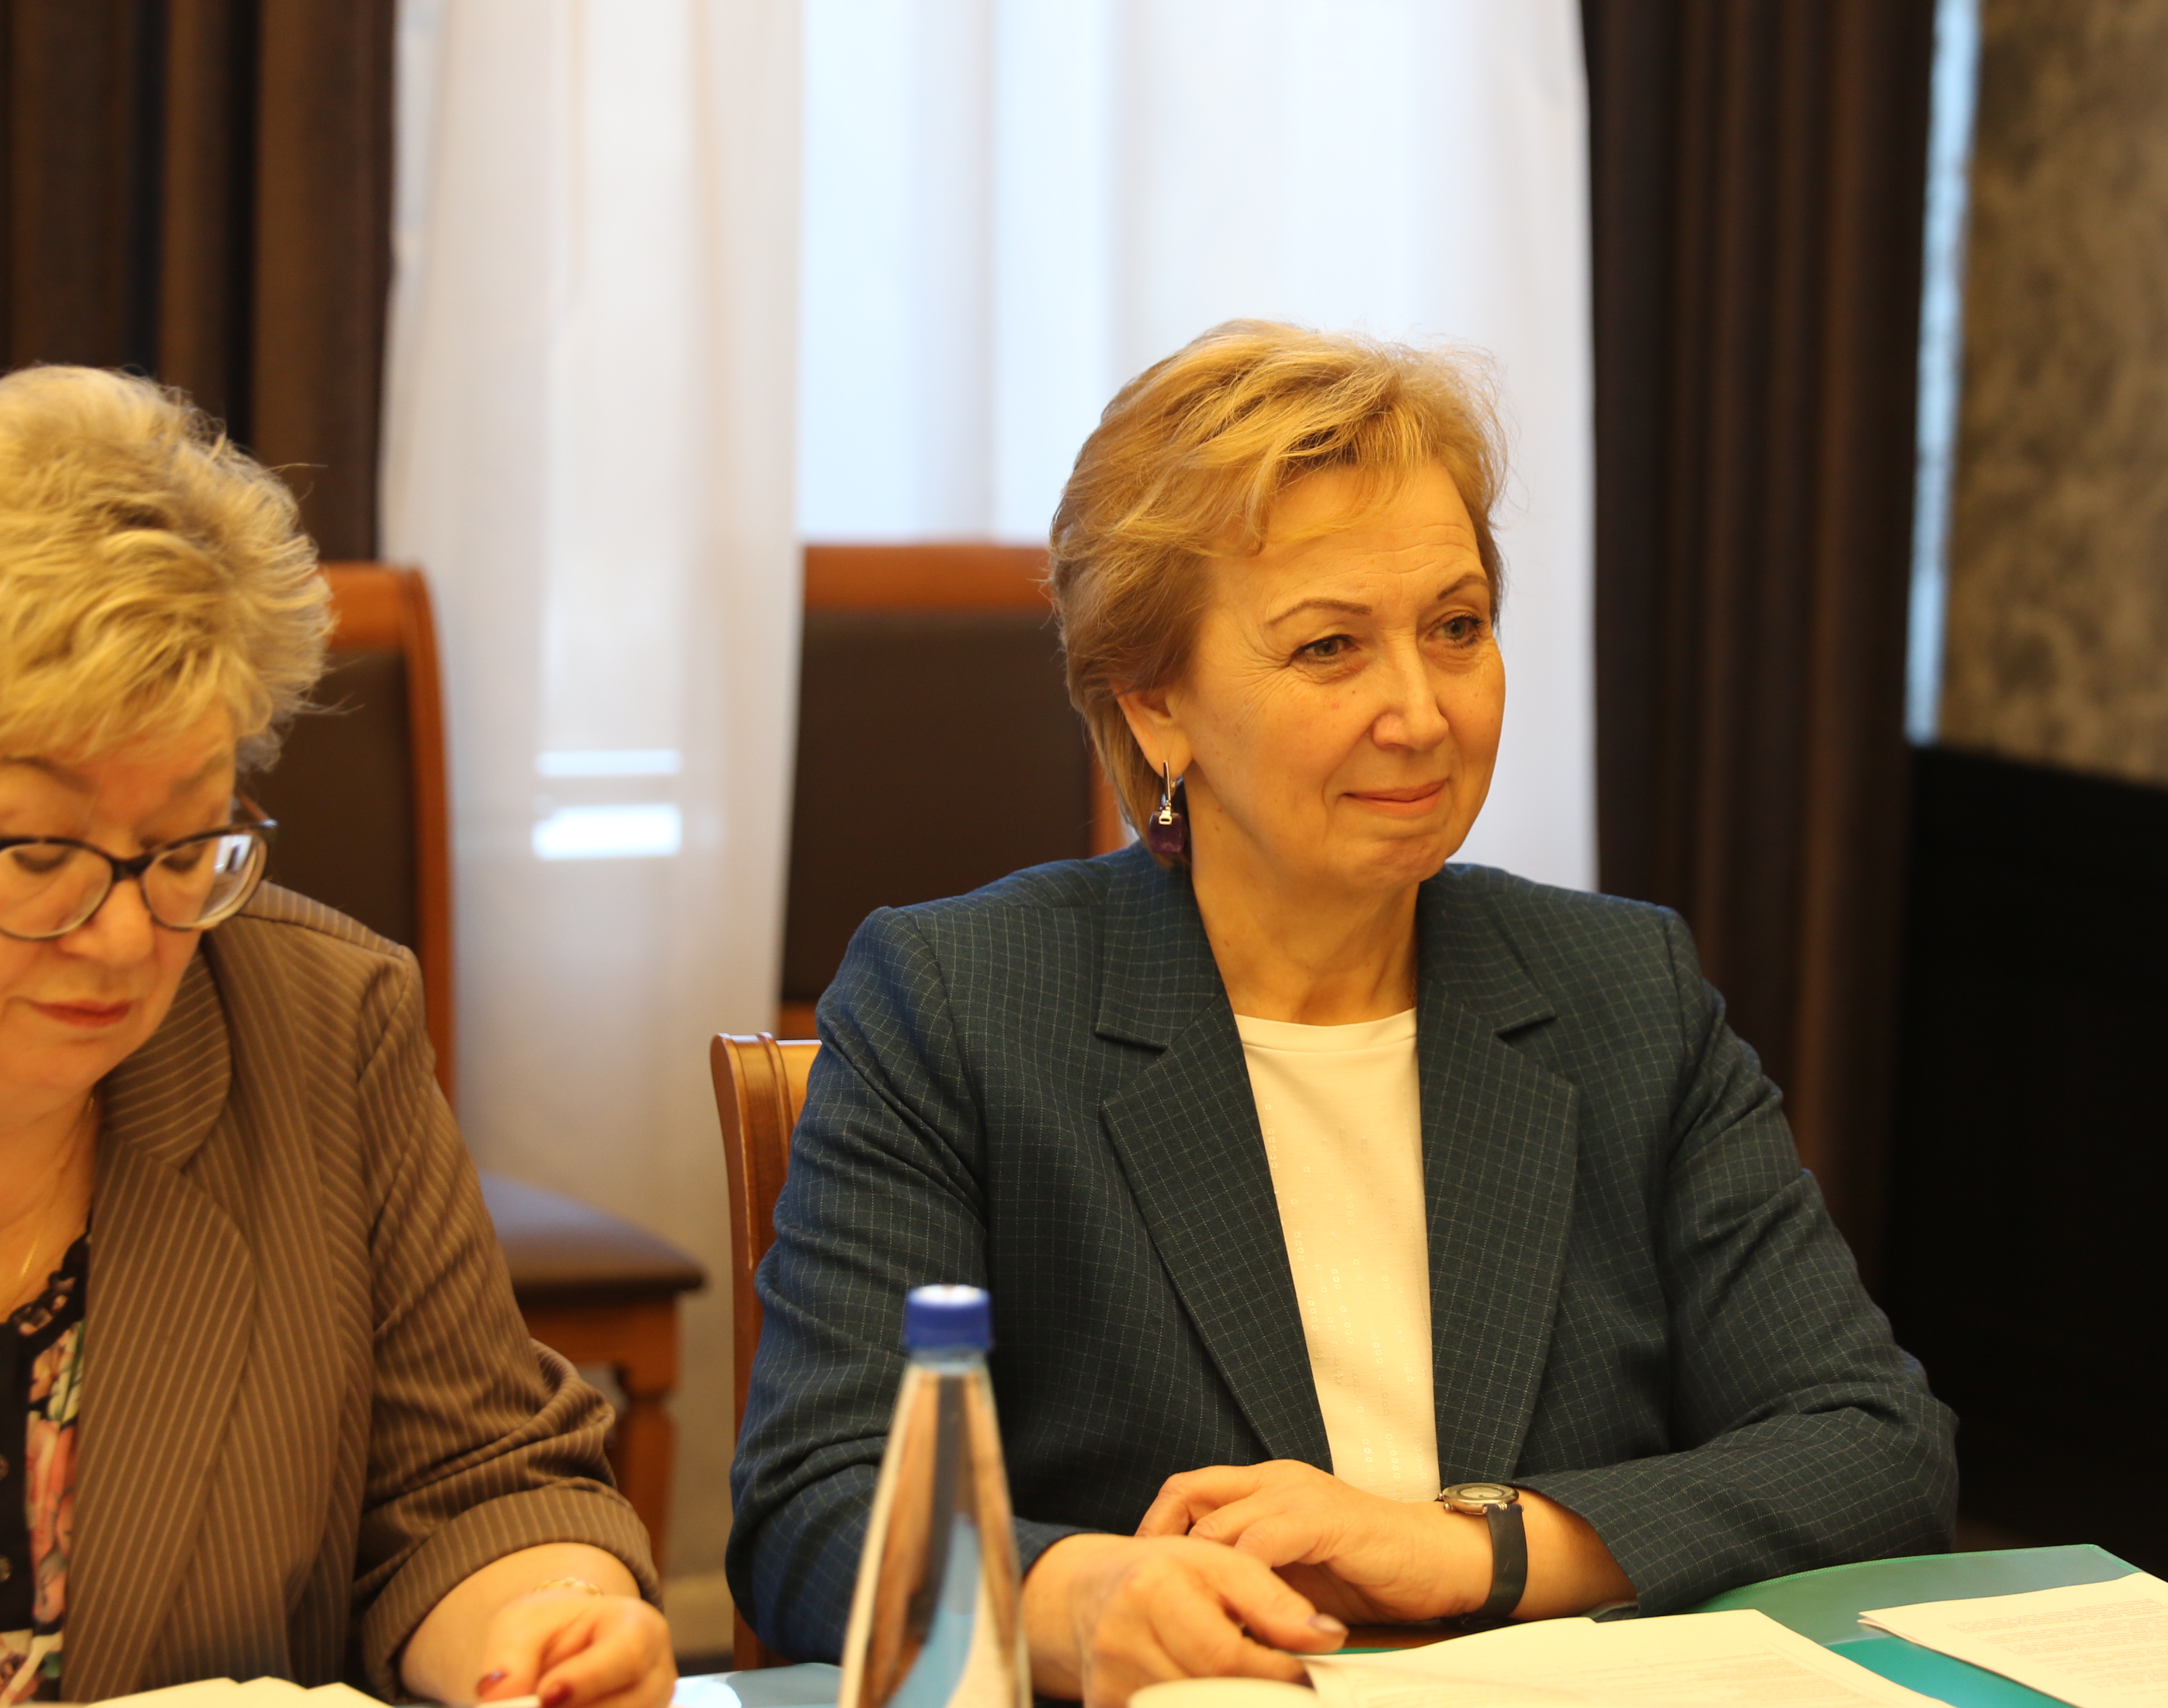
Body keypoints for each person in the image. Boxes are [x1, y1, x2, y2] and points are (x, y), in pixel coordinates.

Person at [730, 323, 1956, 1706]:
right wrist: (1073, 1597)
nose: (1421, 714)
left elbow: (1873, 1446)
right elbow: (814, 1506)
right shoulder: (961, 1002)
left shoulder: (1623, 991)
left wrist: (1471, 1549)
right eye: (1329, 647)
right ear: (1156, 704)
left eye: (1457, 629)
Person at [0, 366, 675, 1707]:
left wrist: (547, 1622)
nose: (127, 939)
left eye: (184, 846)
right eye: (37, 854)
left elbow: (467, 1485)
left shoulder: (313, 1025)